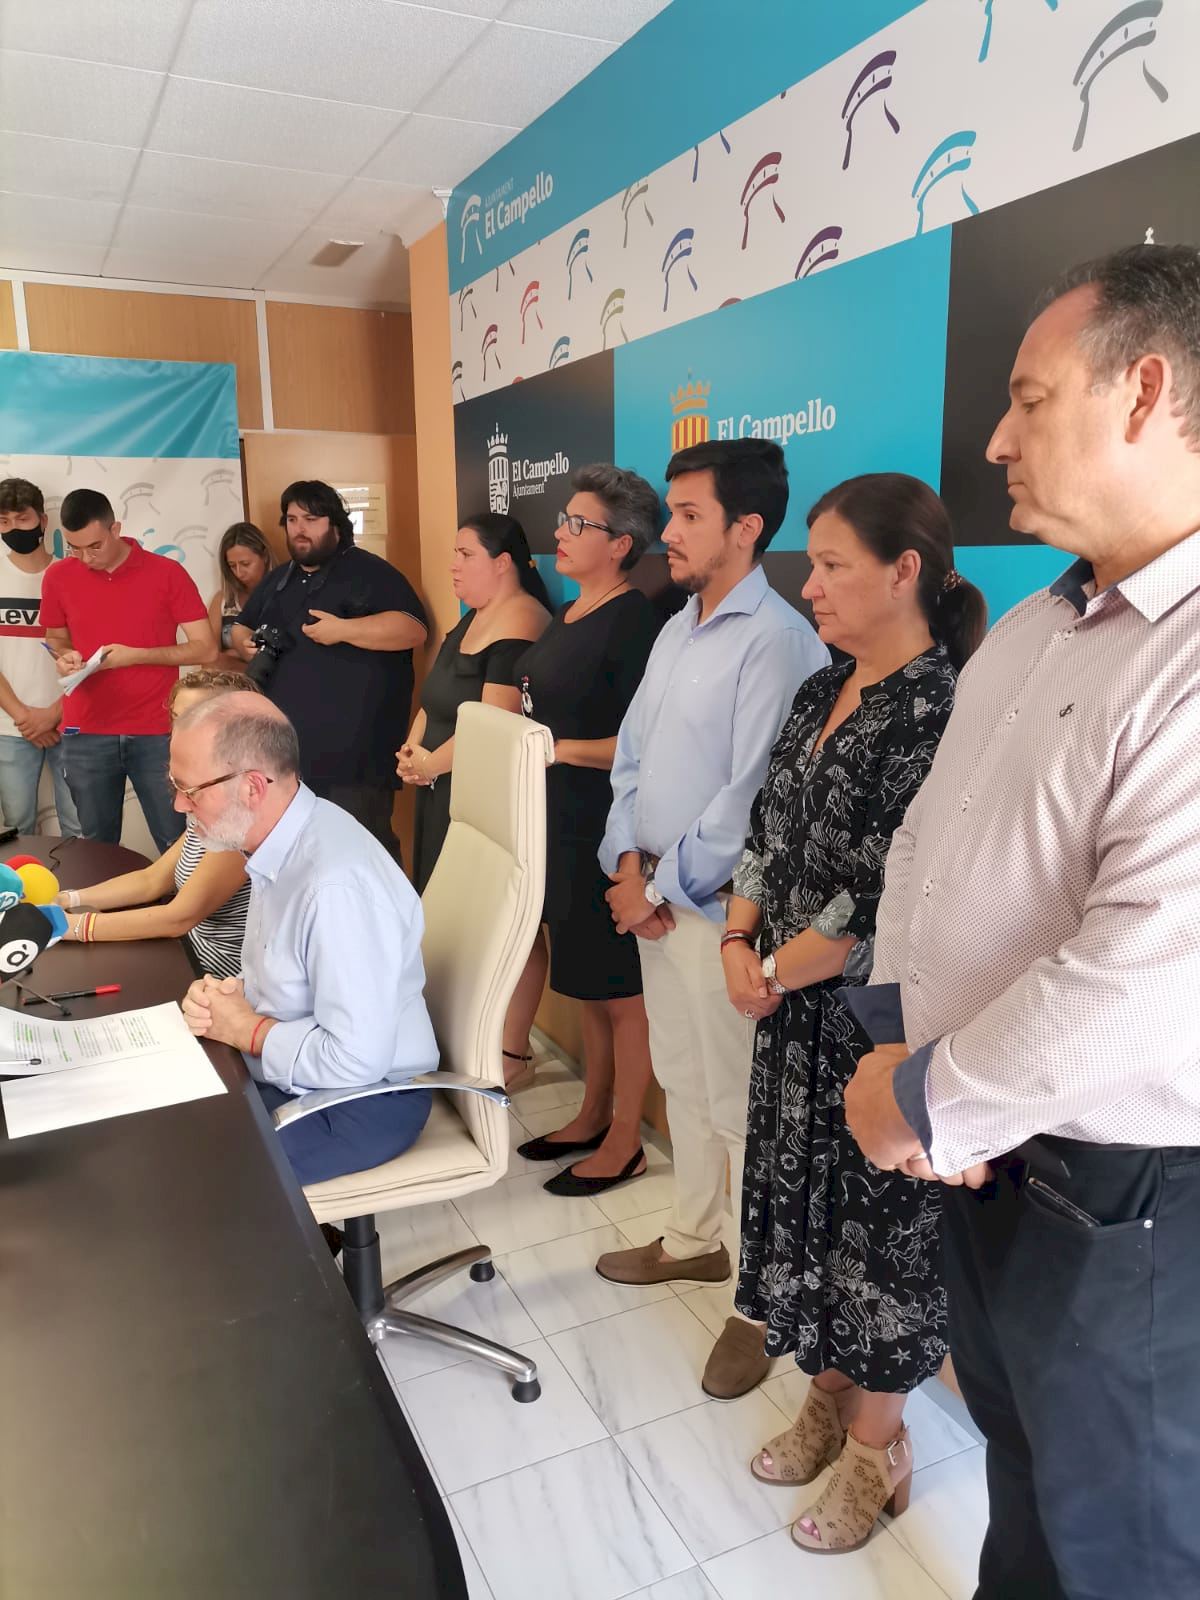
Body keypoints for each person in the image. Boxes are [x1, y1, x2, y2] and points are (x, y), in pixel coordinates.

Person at [844, 243, 1200, 1600]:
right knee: (1025, 1466)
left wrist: (925, 1099)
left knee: (1124, 1533)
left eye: (1030, 400)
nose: (995, 439)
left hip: (1123, 1194)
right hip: (987, 1153)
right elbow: (930, 844)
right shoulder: (1040, 625)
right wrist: (903, 1033)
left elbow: (1144, 976)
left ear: (1145, 391)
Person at [726, 474, 985, 1554]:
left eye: (833, 564)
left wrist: (776, 968)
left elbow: (883, 891)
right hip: (786, 1008)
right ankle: (828, 1395)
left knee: (881, 1239)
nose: (812, 584)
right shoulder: (821, 687)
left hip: (874, 1021)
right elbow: (766, 825)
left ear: (904, 570)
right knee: (810, 1217)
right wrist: (739, 940)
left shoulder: (939, 708)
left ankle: (881, 1444)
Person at [593, 437, 829, 1400]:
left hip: (724, 915)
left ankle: (755, 1302)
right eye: (672, 514)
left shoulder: (778, 640)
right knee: (685, 1085)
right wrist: (626, 864)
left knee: (738, 1107)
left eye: (690, 516)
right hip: (654, 900)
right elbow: (632, 759)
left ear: (747, 528)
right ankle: (694, 1239)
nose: (670, 533)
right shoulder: (676, 627)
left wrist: (655, 889)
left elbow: (751, 800)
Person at [177, 693, 438, 1185]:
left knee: (192, 1175)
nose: (178, 804)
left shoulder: (333, 885)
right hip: (308, 1072)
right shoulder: (282, 840)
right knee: (165, 1117)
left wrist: (247, 1030)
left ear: (252, 787)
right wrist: (229, 999)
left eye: (189, 791)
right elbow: (294, 973)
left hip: (363, 1100)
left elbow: (355, 1060)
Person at [511, 465, 662, 1195]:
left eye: (579, 524)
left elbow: (643, 743)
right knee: (588, 989)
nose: (560, 533)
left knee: (622, 994)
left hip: (606, 828)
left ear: (622, 544)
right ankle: (592, 1113)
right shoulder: (570, 612)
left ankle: (627, 1139)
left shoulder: (634, 624)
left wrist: (560, 749)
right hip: (558, 822)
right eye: (563, 520)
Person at [231, 480, 428, 861]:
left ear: (335, 524)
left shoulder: (369, 571)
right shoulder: (280, 579)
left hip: (355, 759)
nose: (299, 529)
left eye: (311, 519)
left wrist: (344, 630)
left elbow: (414, 629)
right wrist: (244, 643)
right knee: (300, 854)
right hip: (288, 757)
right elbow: (241, 625)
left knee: (363, 852)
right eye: (292, 520)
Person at [43, 488, 214, 853]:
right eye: (74, 548)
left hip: (157, 729)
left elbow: (206, 647)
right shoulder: (58, 576)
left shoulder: (167, 573)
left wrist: (136, 656)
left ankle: (179, 895)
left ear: (116, 529)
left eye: (94, 546)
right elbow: (55, 637)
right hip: (85, 729)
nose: (85, 558)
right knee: (96, 849)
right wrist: (65, 655)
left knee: (177, 844)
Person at [56, 670, 259, 976]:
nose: (178, 730)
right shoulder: (206, 791)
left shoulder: (241, 810)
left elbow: (178, 917)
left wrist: (72, 927)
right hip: (186, 950)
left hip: (217, 974)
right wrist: (69, 898)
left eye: (194, 717)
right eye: (177, 717)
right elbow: (151, 880)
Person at [0, 478, 80, 838]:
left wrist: (53, 714)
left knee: (78, 826)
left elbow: (93, 656)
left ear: (43, 521)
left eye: (22, 519)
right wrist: (24, 717)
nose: (13, 528)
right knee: (16, 827)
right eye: (4, 522)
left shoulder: (72, 576)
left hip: (71, 721)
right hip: (10, 727)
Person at [207, 522, 274, 671]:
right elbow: (209, 660)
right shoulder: (223, 600)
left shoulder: (283, 594)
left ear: (264, 556)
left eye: (245, 563)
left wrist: (230, 656)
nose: (239, 572)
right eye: (232, 565)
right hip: (230, 684)